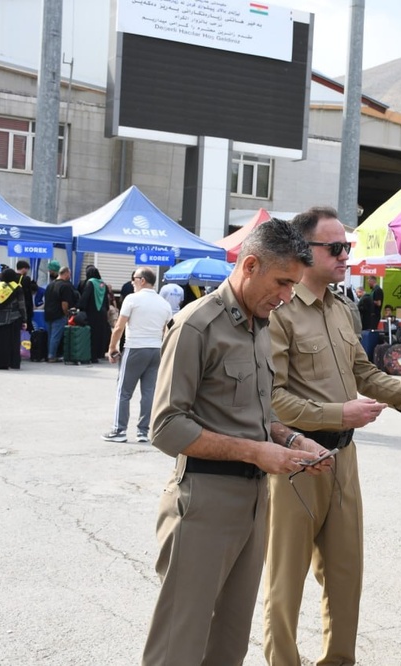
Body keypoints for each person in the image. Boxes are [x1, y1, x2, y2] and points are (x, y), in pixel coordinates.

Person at [263, 206, 401, 666]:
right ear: (306, 250)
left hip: (343, 460)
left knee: (345, 578)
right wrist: (339, 413)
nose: (346, 255)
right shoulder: (279, 313)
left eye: (348, 247)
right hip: (294, 461)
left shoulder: (342, 309)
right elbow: (272, 400)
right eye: (336, 247)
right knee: (285, 585)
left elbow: (367, 374)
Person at [141, 220, 330, 665]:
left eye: (293, 285)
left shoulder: (258, 325)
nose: (287, 296)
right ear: (249, 265)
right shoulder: (196, 326)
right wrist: (254, 451)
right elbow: (166, 427)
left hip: (253, 501)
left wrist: (292, 439)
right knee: (178, 644)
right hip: (203, 500)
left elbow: (258, 418)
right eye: (282, 282)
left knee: (228, 643)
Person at [102, 268, 173, 444]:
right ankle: (143, 431)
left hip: (135, 348)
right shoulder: (163, 303)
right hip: (156, 349)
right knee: (148, 392)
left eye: (134, 279)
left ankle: (119, 430)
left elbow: (119, 327)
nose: (132, 282)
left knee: (124, 391)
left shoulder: (132, 299)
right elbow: (168, 329)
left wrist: (112, 348)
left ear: (142, 280)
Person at [0, 267, 27, 370]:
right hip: (13, 318)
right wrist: (24, 319)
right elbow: (21, 305)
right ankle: (13, 363)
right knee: (12, 342)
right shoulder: (17, 287)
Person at [78, 266, 111, 364]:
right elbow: (106, 300)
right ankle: (97, 355)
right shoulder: (102, 284)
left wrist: (79, 307)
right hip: (102, 313)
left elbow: (85, 297)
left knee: (91, 335)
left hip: (92, 313)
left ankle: (91, 356)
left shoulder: (90, 283)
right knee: (99, 334)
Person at [43, 265, 75, 363]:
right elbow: (64, 304)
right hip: (58, 314)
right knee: (55, 337)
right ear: (65, 274)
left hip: (48, 313)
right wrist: (66, 314)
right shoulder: (65, 286)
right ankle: (52, 356)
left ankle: (49, 354)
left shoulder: (50, 285)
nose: (70, 276)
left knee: (50, 336)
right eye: (69, 274)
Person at [15, 259, 35, 333]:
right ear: (24, 269)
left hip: (14, 309)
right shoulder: (26, 279)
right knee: (26, 330)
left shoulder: (12, 278)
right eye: (27, 269)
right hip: (24, 308)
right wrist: (31, 310)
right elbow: (28, 296)